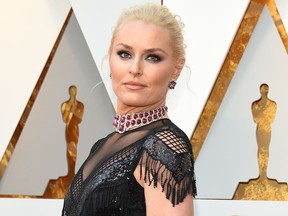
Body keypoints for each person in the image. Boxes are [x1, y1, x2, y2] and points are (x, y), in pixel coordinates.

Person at [62, 3, 197, 216]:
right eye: (125, 54)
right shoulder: (102, 145)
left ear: (176, 70)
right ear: (110, 58)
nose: (135, 69)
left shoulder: (163, 147)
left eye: (152, 57)